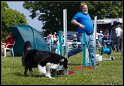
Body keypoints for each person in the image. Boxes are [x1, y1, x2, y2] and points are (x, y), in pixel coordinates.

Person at [68, 2, 98, 67]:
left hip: (90, 34)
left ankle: (93, 63)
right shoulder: (79, 14)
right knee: (81, 48)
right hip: (82, 34)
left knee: (92, 48)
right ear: (81, 9)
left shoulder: (88, 15)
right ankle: (68, 54)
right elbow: (72, 21)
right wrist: (80, 24)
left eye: (86, 8)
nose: (85, 9)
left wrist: (91, 29)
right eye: (84, 8)